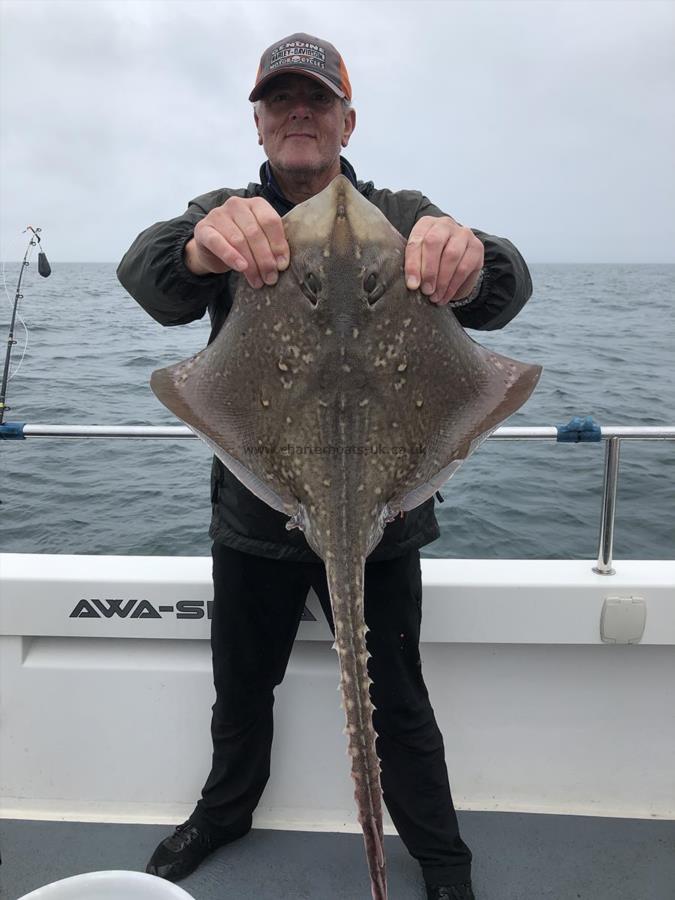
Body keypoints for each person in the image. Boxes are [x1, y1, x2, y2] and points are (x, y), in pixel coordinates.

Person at [117, 32, 532, 900]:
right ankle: (224, 814)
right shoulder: (228, 211)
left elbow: (504, 291)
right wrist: (201, 245)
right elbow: (149, 279)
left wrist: (471, 257)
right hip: (255, 520)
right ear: (261, 126)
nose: (297, 112)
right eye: (279, 101)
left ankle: (442, 859)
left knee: (402, 707)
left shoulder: (400, 212)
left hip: (383, 517)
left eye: (315, 99)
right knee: (242, 693)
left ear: (347, 120)